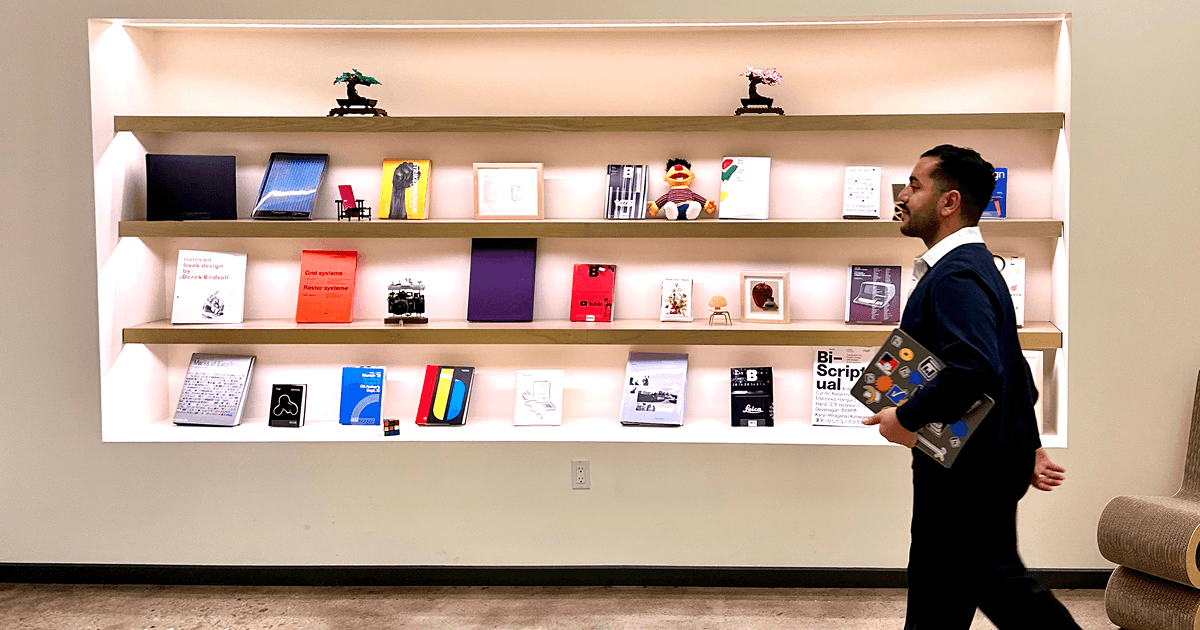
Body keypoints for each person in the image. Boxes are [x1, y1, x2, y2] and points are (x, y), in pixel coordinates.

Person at [863, 145, 1080, 629]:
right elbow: (1014, 367)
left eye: (916, 185)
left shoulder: (957, 274)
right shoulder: (973, 267)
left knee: (997, 585)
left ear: (948, 202)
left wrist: (906, 417)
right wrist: (1030, 444)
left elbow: (975, 368)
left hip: (969, 467)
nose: (903, 195)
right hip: (976, 458)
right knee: (940, 590)